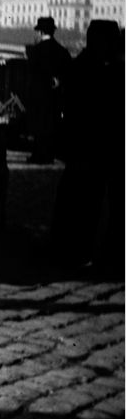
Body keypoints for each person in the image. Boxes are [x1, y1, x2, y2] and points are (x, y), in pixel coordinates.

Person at [51, 19, 124, 271]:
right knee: (90, 202)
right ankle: (91, 252)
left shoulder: (81, 67)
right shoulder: (107, 71)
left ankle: (71, 249)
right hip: (97, 146)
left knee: (79, 199)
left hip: (84, 145)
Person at [25, 15, 71, 164]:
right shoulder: (62, 51)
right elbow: (67, 73)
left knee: (39, 126)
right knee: (51, 125)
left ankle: (38, 155)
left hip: (38, 95)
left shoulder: (35, 51)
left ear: (40, 32)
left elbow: (31, 73)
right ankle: (49, 155)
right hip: (54, 96)